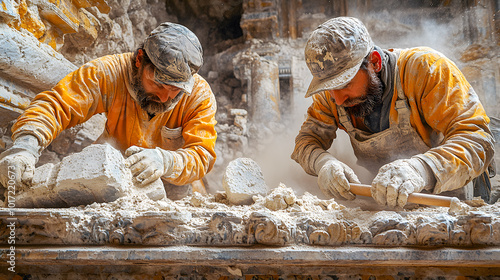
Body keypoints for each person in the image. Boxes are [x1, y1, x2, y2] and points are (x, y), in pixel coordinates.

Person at [291, 17, 495, 208]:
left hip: (452, 201)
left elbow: (477, 139)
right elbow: (306, 142)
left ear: (375, 62)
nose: (338, 99)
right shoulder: (332, 96)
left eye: (345, 84)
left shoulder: (426, 70)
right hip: (390, 205)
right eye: (329, 87)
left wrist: (421, 169)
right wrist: (322, 163)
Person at [0, 22, 217, 199]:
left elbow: (203, 153)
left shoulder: (198, 95)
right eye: (158, 85)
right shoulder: (108, 73)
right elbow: (56, 106)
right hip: (113, 176)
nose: (165, 98)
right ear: (140, 59)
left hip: (177, 187)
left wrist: (167, 161)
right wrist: (24, 148)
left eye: (175, 90)